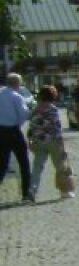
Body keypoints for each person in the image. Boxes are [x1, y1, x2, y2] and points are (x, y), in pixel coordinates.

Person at [28, 85, 73, 200]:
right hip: (53, 141)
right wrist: (62, 144)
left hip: (39, 140)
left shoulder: (35, 109)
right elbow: (56, 128)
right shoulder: (53, 109)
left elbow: (31, 127)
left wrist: (31, 140)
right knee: (60, 166)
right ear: (53, 96)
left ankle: (32, 189)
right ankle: (65, 192)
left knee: (37, 167)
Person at [0, 72, 34, 202]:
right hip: (13, 130)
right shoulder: (16, 97)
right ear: (17, 84)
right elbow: (23, 114)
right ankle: (26, 193)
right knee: (23, 162)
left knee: (2, 163)